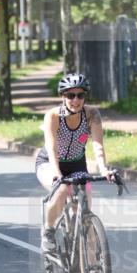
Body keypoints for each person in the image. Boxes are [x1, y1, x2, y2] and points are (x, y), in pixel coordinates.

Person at [34, 73, 114, 257]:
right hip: (49, 162)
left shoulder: (92, 114)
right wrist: (56, 173)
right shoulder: (53, 116)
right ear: (63, 96)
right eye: (70, 95)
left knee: (85, 213)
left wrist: (103, 169)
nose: (75, 100)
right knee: (62, 190)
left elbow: (97, 145)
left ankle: (93, 267)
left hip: (77, 164)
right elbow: (52, 148)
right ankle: (48, 232)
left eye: (80, 95)